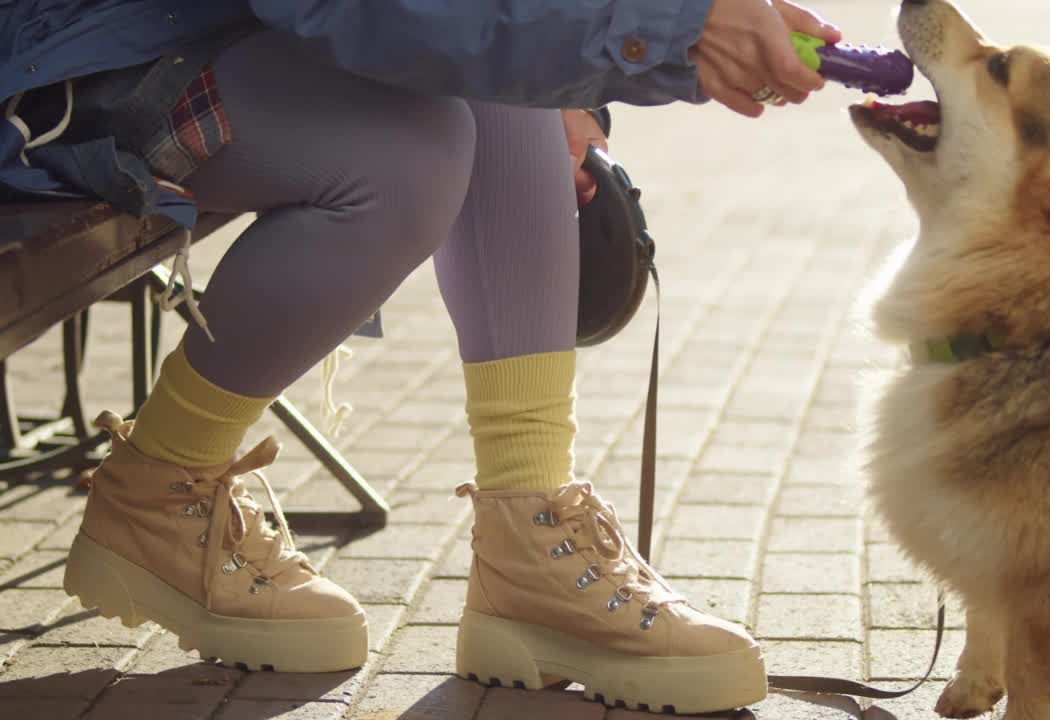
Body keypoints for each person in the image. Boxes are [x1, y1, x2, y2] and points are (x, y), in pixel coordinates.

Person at [1, 1, 841, 712]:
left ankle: (526, 531)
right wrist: (658, 29)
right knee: (410, 152)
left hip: (193, 32)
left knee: (514, 97)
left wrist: (584, 74)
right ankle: (157, 490)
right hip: (61, 67)